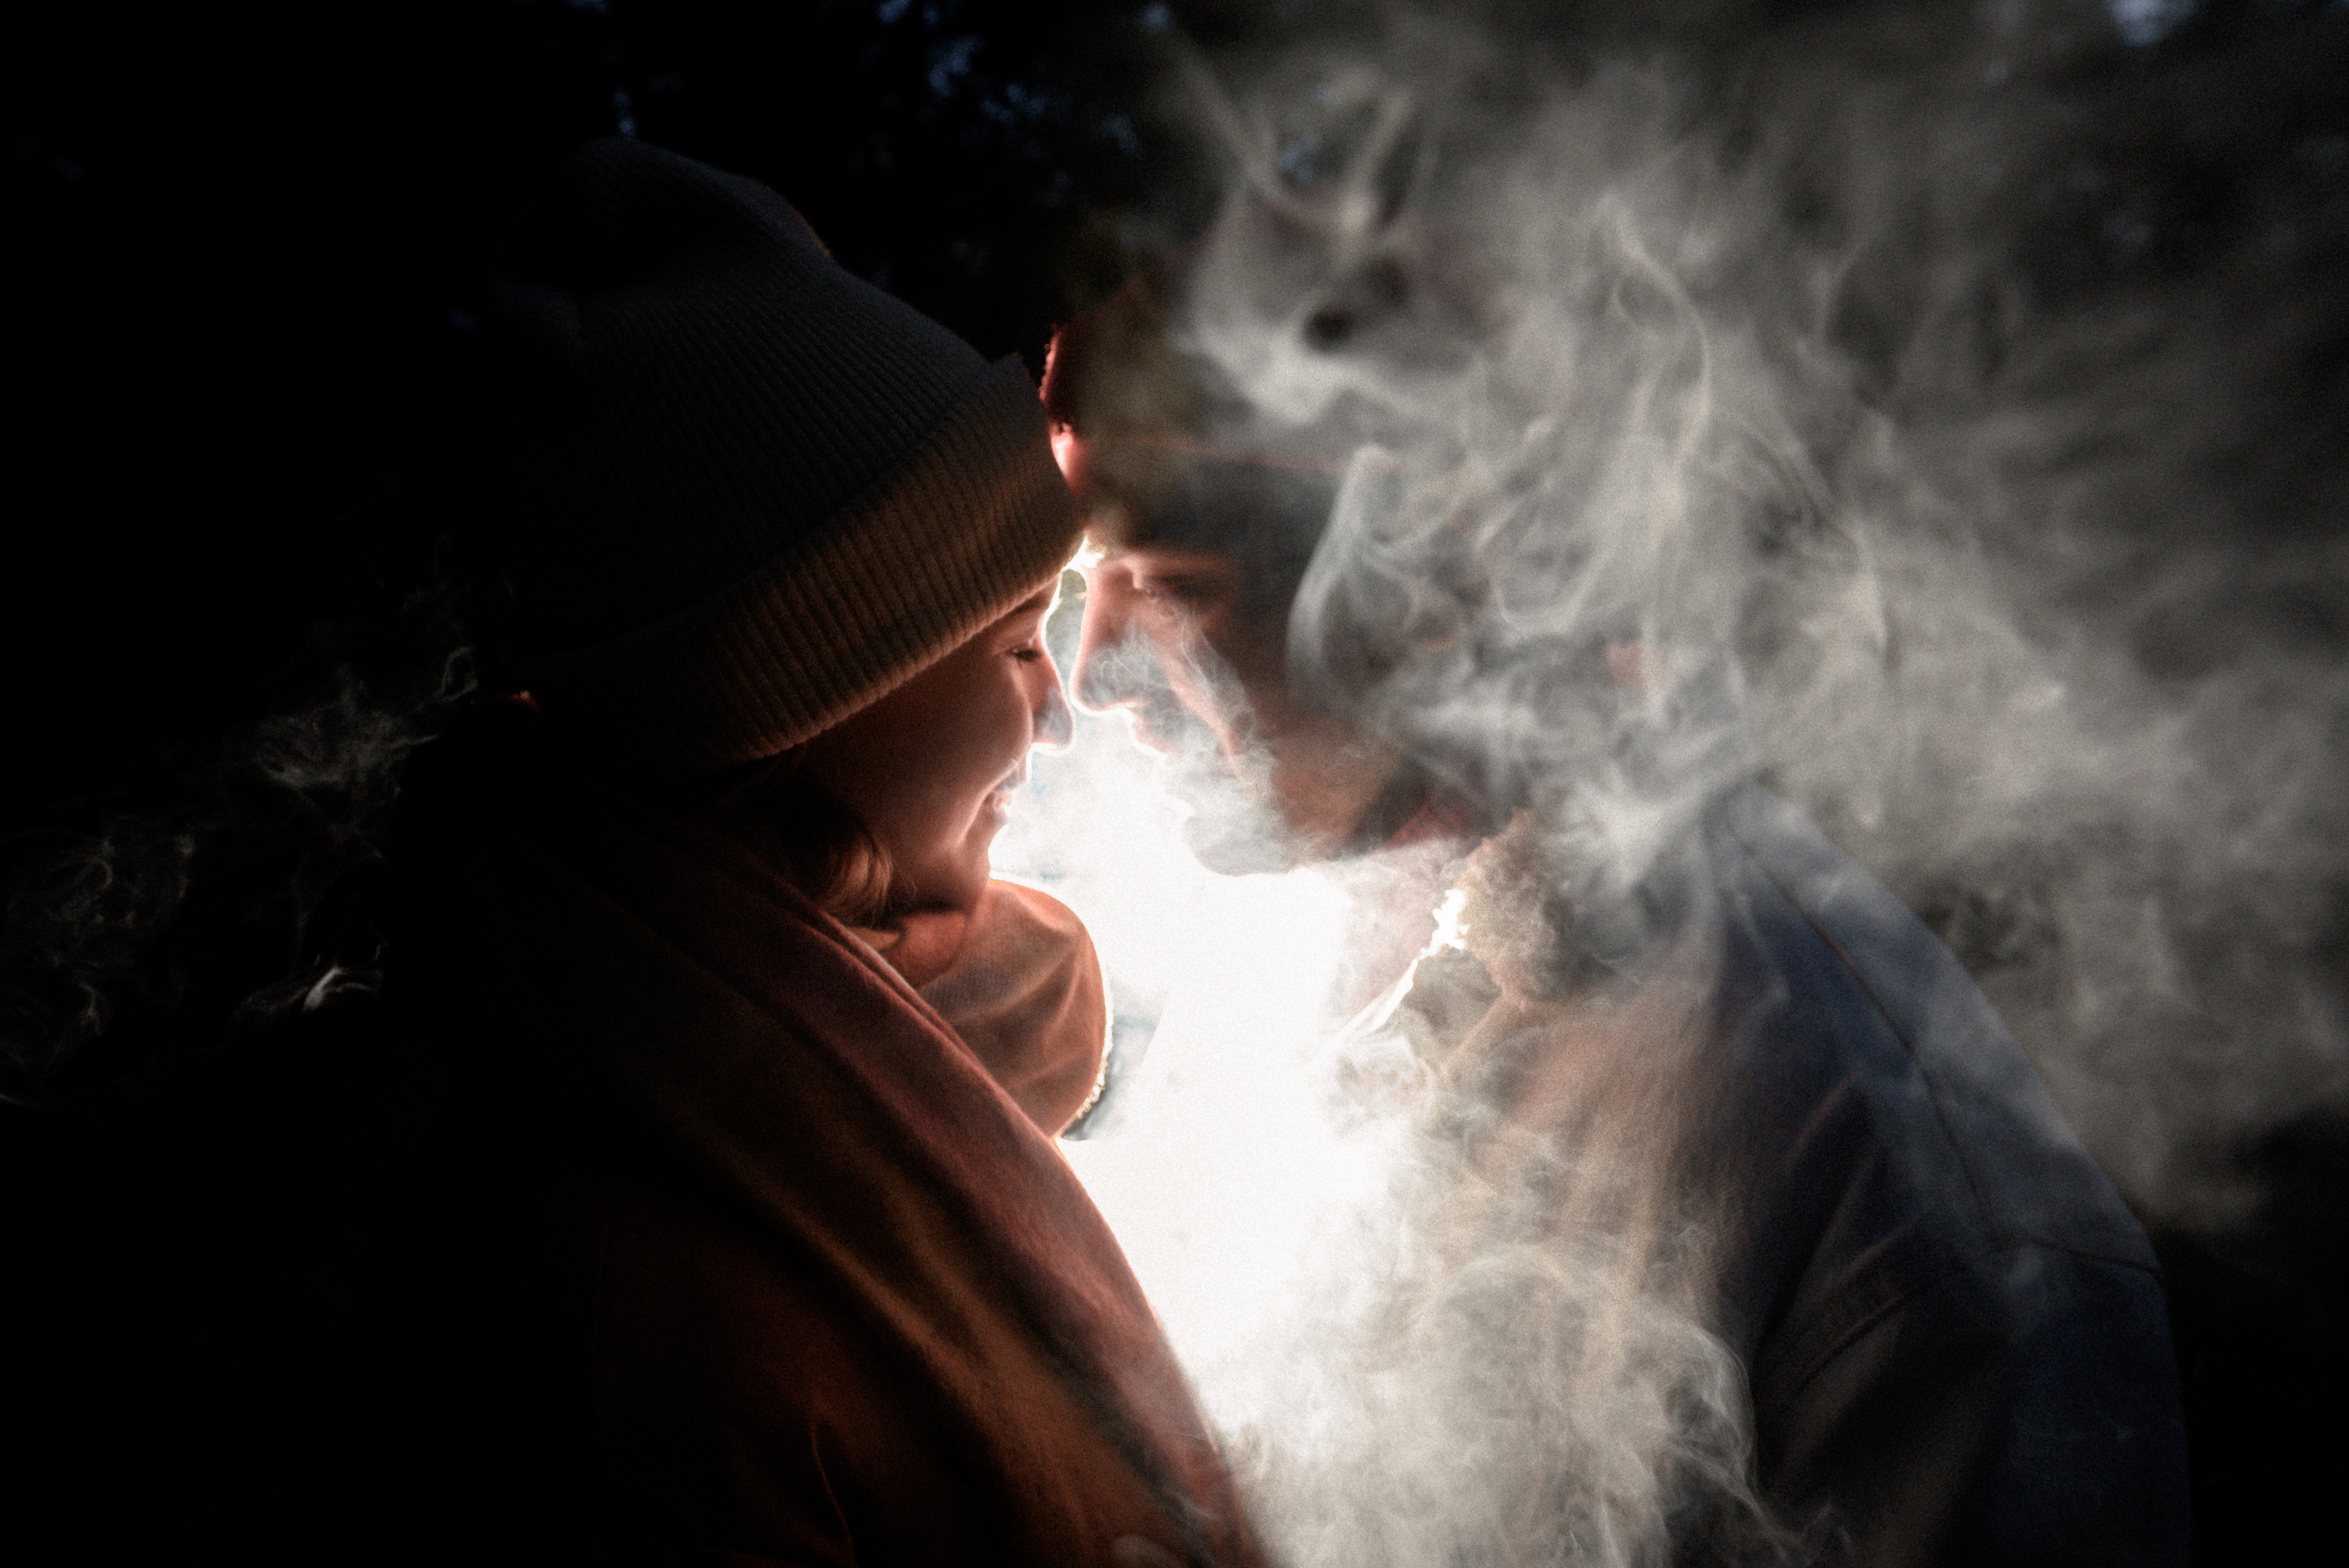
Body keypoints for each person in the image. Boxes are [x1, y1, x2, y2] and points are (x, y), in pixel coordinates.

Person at [1041, 203, 2190, 1565]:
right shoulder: (1248, 961)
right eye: (1087, 578)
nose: (1090, 668)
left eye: (1172, 581)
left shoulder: (1885, 1180)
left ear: (1440, 585)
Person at [307, 139, 1261, 1568]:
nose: (1060, 710)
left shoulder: (892, 1068)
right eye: (1017, 647)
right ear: (820, 706)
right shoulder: (634, 1319)